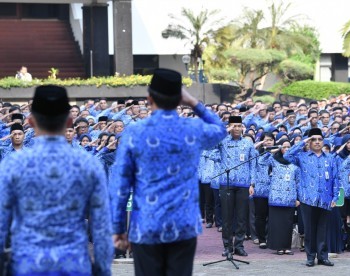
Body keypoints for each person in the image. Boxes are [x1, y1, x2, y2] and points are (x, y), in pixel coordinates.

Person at [110, 68, 226, 276]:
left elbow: (121, 185)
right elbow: (220, 129)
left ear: (149, 98)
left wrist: (118, 228)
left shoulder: (135, 132)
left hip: (146, 224)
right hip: (183, 225)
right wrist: (193, 102)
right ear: (179, 99)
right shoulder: (193, 128)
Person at [0, 85, 113, 275]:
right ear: (69, 121)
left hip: (27, 265)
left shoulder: (13, 164)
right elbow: (101, 227)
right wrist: (102, 269)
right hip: (74, 265)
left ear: (30, 121)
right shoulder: (88, 165)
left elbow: (2, 222)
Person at [284, 128, 339, 267]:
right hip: (307, 199)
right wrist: (302, 142)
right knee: (309, 230)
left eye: (320, 139)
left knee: (322, 229)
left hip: (325, 199)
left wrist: (336, 197)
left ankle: (322, 256)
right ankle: (310, 257)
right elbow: (286, 156)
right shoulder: (302, 157)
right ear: (309, 142)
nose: (317, 142)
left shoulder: (331, 158)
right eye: (313, 139)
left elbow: (336, 178)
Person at [210, 115, 257, 257]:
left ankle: (239, 246)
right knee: (227, 218)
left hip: (243, 185)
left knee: (242, 218)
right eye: (233, 126)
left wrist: (252, 183)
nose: (236, 128)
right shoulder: (223, 141)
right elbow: (209, 150)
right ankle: (227, 246)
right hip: (226, 183)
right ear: (229, 127)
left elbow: (252, 164)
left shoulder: (248, 143)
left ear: (243, 127)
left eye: (239, 125)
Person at [264, 139, 299, 255]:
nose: (286, 149)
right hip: (276, 197)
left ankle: (287, 247)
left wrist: (298, 198)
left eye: (289, 147)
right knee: (276, 223)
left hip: (290, 197)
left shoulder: (294, 163)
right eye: (284, 147)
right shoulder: (274, 160)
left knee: (288, 223)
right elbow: (261, 160)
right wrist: (274, 150)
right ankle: (278, 247)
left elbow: (298, 181)